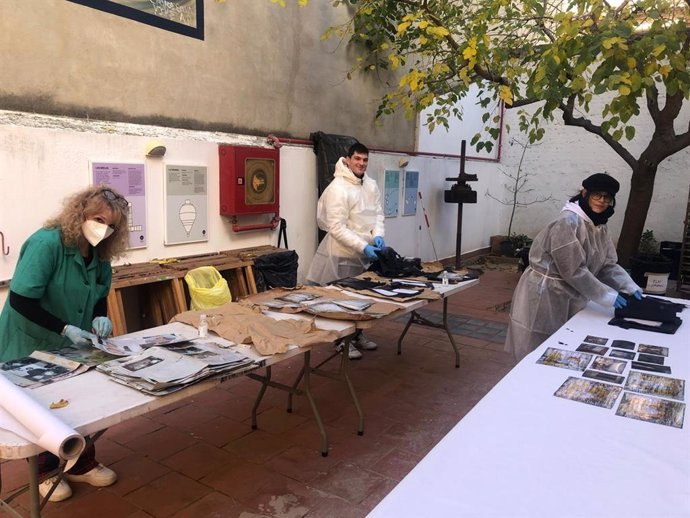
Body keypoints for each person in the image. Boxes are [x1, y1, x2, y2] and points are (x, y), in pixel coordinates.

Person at [0, 185, 130, 501]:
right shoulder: (47, 244)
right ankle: (45, 471)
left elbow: (99, 293)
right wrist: (65, 328)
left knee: (79, 399)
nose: (104, 228)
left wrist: (102, 316)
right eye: (98, 219)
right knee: (41, 406)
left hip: (71, 341)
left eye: (112, 224)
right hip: (31, 337)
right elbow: (20, 300)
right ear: (79, 213)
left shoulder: (101, 253)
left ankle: (80, 463)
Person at [504, 173, 643, 361]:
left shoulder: (598, 224)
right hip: (546, 293)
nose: (602, 201)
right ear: (585, 193)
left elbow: (607, 263)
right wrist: (607, 295)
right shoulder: (568, 222)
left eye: (607, 197)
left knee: (563, 346)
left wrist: (628, 285)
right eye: (597, 195)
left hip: (570, 292)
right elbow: (573, 270)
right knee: (537, 345)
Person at [306, 142, 385, 359]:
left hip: (363, 254)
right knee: (341, 300)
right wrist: (363, 246)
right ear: (348, 159)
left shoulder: (370, 185)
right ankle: (341, 341)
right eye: (357, 159)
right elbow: (336, 227)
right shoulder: (337, 189)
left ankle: (357, 334)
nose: (361, 163)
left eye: (365, 160)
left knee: (362, 297)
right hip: (340, 254)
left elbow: (378, 214)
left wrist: (378, 234)